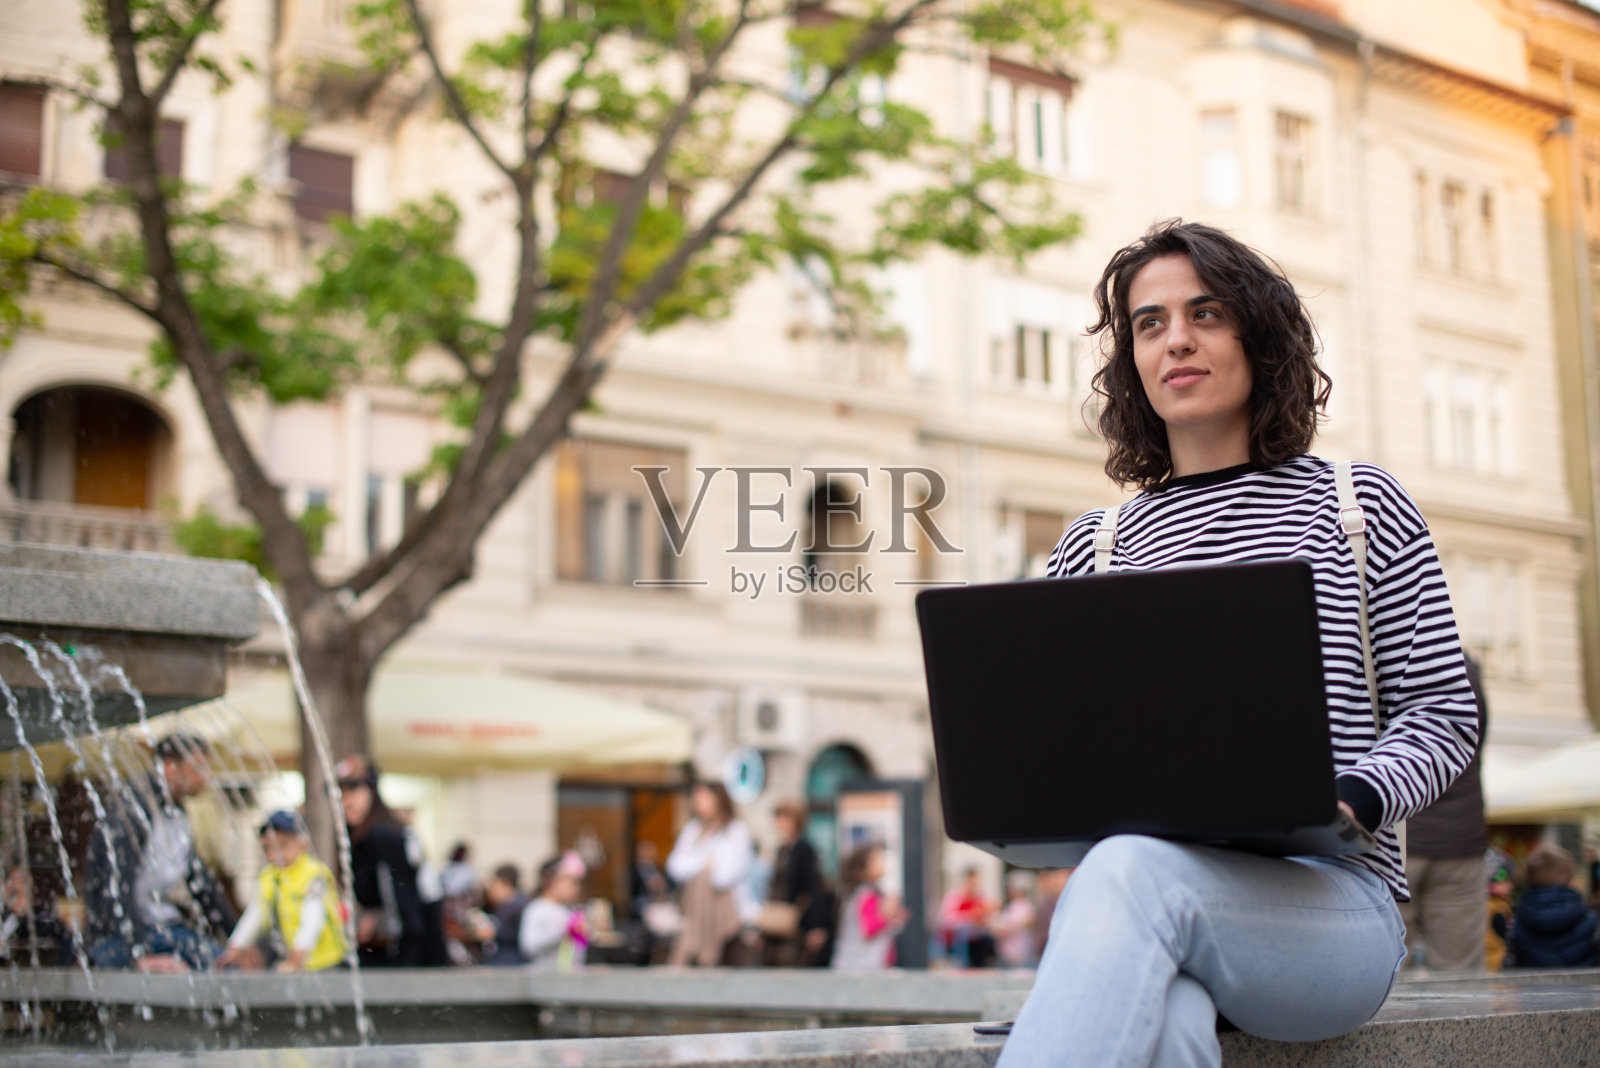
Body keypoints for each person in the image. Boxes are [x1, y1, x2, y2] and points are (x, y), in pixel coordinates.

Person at [997, 220, 1479, 1067]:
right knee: (1170, 1015)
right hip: (1151, 888)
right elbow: (1058, 745)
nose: (1176, 339)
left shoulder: (1357, 506)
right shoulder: (1093, 547)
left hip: (1333, 905)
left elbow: (1441, 710)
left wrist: (1354, 798)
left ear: (1259, 333)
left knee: (1127, 877)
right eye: (1149, 323)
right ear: (1133, 362)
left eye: (1206, 313)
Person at [84, 733, 236, 972]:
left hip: (160, 931)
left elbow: (202, 884)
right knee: (219, 971)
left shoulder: (177, 813)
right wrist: (137, 957)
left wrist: (237, 939)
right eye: (198, 768)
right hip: (119, 939)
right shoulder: (134, 811)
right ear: (170, 767)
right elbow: (114, 888)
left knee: (227, 966)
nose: (205, 777)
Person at [1400, 651, 1490, 971]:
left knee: (1389, 968)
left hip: (1398, 835)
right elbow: (1476, 742)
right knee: (1461, 968)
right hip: (1461, 837)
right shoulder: (1467, 668)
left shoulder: (1380, 655)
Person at [336, 755, 447, 967]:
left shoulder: (385, 834)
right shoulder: (360, 836)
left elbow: (404, 904)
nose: (347, 801)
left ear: (372, 791)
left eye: (354, 790)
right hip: (393, 944)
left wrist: (379, 921)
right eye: (341, 793)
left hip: (411, 948)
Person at [216, 810, 347, 973]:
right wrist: (236, 946)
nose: (275, 854)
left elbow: (313, 918)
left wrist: (300, 951)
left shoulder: (313, 874)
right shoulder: (269, 876)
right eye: (268, 848)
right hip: (297, 961)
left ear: (303, 843)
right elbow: (256, 913)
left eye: (284, 845)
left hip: (327, 961)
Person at [665, 782, 752, 966]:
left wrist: (699, 864)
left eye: (701, 797)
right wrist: (704, 862)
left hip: (729, 914)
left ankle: (703, 952)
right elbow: (675, 867)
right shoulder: (693, 830)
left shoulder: (736, 831)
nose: (695, 802)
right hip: (696, 909)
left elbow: (723, 876)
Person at [1508, 845, 1598, 968]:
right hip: (1583, 986)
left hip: (1532, 986)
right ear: (1571, 881)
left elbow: (1510, 963)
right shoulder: (1591, 920)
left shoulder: (1516, 922)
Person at [764, 800, 830, 966]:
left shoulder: (804, 850)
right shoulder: (782, 850)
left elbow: (812, 887)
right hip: (779, 917)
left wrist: (816, 926)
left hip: (797, 919)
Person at [831, 843, 906, 971]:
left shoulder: (869, 894)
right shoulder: (867, 895)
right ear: (862, 870)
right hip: (859, 966)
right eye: (876, 859)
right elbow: (868, 929)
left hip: (864, 964)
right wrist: (887, 915)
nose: (882, 862)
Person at [519, 852, 587, 970]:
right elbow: (529, 946)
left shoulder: (568, 911)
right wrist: (564, 931)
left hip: (570, 977)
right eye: (570, 881)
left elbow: (579, 948)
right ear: (551, 881)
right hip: (544, 977)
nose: (576, 887)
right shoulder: (537, 909)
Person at [937, 866, 995, 968]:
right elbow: (947, 920)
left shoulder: (979, 897)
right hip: (959, 941)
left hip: (978, 940)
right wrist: (970, 916)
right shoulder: (954, 896)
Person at [478, 863, 530, 966]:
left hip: (511, 961)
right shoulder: (503, 906)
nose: (491, 891)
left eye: (494, 887)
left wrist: (494, 933)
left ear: (505, 884)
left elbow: (520, 934)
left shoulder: (518, 907)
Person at [992, 870, 1037, 969]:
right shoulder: (1016, 905)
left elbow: (1013, 926)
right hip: (1011, 952)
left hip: (1017, 952)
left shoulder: (1022, 905)